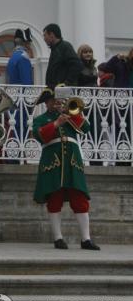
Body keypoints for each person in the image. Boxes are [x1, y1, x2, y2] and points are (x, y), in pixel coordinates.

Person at [32, 87, 100, 250]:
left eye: (59, 100)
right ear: (47, 103)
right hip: (52, 162)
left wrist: (71, 115)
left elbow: (86, 128)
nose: (56, 103)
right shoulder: (41, 118)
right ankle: (58, 238)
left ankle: (86, 239)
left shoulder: (71, 116)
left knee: (80, 198)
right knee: (54, 198)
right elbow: (39, 135)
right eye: (53, 101)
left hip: (72, 161)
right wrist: (56, 123)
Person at [43, 23, 83, 88]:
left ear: (52, 35)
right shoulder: (55, 49)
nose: (44, 38)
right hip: (54, 89)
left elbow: (77, 65)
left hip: (63, 91)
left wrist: (67, 83)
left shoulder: (65, 46)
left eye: (45, 35)